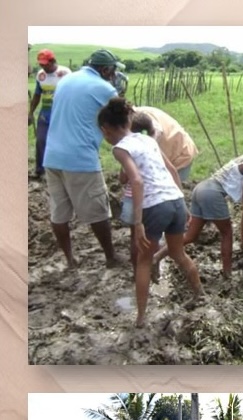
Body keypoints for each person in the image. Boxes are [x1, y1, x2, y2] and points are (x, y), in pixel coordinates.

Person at [98, 97, 203, 328]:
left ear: (106, 130)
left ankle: (141, 317)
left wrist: (137, 223)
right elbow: (173, 171)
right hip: (174, 201)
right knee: (178, 254)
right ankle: (200, 295)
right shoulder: (148, 140)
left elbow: (135, 181)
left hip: (154, 206)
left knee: (144, 261)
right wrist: (183, 203)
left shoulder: (120, 148)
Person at [154, 130, 243, 277]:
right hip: (212, 194)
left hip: (201, 189)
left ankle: (156, 257)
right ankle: (227, 274)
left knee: (190, 236)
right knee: (227, 233)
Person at [42, 49, 125, 269]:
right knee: (97, 210)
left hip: (51, 156)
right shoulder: (104, 88)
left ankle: (70, 259)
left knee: (59, 212)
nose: (114, 74)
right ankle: (111, 257)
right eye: (113, 70)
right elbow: (123, 116)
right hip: (79, 158)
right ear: (105, 69)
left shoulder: (66, 79)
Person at [28, 50, 71, 178]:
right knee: (41, 140)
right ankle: (40, 170)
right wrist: (30, 113)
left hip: (62, 112)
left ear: (53, 61)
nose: (43, 67)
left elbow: (72, 93)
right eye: (41, 64)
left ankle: (62, 169)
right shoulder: (41, 75)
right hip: (45, 112)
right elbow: (37, 95)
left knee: (62, 141)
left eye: (45, 64)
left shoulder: (65, 73)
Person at [131, 106, 199, 184]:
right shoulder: (136, 116)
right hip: (169, 155)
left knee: (169, 187)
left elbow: (157, 131)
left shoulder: (141, 117)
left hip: (179, 154)